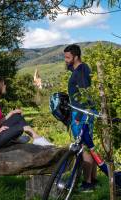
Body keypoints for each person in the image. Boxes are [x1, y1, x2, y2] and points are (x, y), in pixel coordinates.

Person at [0, 76, 53, 150]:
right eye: (4, 84)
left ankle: (17, 139)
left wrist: (11, 113)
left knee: (17, 117)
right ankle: (37, 139)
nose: (5, 86)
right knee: (20, 126)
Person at [64, 44, 97, 191]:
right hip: (83, 112)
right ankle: (93, 180)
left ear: (76, 57)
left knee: (84, 148)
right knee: (89, 147)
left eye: (68, 57)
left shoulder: (82, 70)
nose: (65, 60)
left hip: (82, 114)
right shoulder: (78, 69)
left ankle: (88, 183)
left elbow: (86, 94)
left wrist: (79, 115)